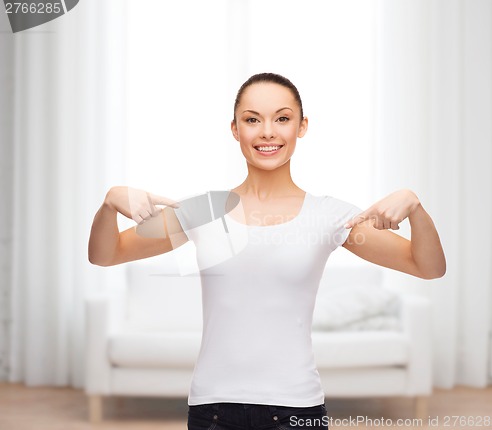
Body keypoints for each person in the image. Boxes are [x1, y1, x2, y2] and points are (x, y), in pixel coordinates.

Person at [88, 72, 446, 430]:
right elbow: (106, 254)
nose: (268, 132)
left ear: (302, 126)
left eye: (283, 118)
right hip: (213, 408)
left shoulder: (330, 216)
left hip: (296, 409)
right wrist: (108, 204)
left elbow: (427, 266)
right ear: (235, 129)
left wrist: (415, 207)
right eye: (252, 120)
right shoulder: (203, 211)